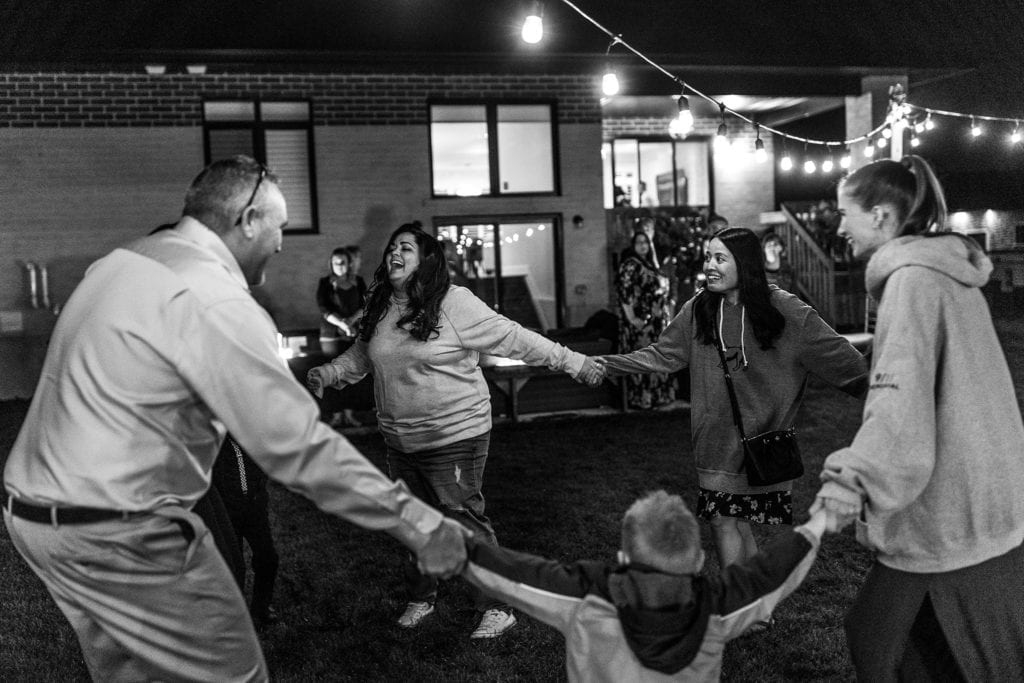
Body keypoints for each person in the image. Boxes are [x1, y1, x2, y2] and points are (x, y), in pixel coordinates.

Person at [1, 156, 468, 681]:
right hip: (125, 530)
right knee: (235, 675)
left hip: (36, 520)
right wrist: (419, 523)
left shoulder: (115, 265)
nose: (281, 243)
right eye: (278, 226)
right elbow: (300, 448)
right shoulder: (215, 298)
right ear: (248, 219)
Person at [307, 223, 604, 639]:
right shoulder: (380, 303)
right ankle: (421, 598)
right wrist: (332, 371)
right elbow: (364, 353)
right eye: (392, 246)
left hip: (456, 436)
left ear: (426, 261)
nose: (395, 252)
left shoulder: (453, 303)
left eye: (406, 248)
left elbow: (512, 337)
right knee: (412, 522)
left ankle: (499, 607)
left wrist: (574, 362)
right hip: (400, 438)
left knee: (463, 520)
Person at [811, 155, 1024, 680]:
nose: (839, 227)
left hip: (948, 514)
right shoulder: (949, 274)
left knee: (884, 644)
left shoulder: (913, 281)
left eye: (845, 213)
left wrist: (848, 484)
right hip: (989, 496)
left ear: (882, 217)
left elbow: (898, 405)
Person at [596, 227, 867, 614]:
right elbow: (662, 355)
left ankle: (744, 606)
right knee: (726, 521)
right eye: (708, 257)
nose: (709, 266)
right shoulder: (699, 309)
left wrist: (885, 396)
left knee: (733, 522)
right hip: (713, 442)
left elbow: (842, 360)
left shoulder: (786, 310)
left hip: (761, 442)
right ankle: (749, 606)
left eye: (720, 258)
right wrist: (605, 366)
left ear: (746, 264)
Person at [462, 490, 829, 682]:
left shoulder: (584, 596)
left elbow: (502, 566)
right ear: (700, 561)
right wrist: (827, 514)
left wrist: (405, 513)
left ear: (622, 559)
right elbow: (773, 569)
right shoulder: (718, 606)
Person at [211, 434, 280, 631]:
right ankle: (234, 617)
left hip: (254, 507)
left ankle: (261, 608)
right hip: (226, 511)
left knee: (268, 559)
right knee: (234, 566)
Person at [615, 231, 675, 409]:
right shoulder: (630, 265)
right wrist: (632, 318)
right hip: (641, 323)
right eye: (639, 242)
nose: (643, 246)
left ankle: (657, 397)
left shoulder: (649, 264)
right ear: (633, 246)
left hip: (656, 322)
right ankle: (642, 399)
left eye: (646, 243)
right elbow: (624, 292)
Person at [316, 246, 363, 357]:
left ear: (349, 263)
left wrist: (351, 321)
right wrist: (342, 324)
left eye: (342, 262)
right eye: (335, 263)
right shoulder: (325, 283)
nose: (338, 266)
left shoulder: (358, 281)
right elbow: (323, 308)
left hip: (355, 329)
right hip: (331, 331)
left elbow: (365, 305)